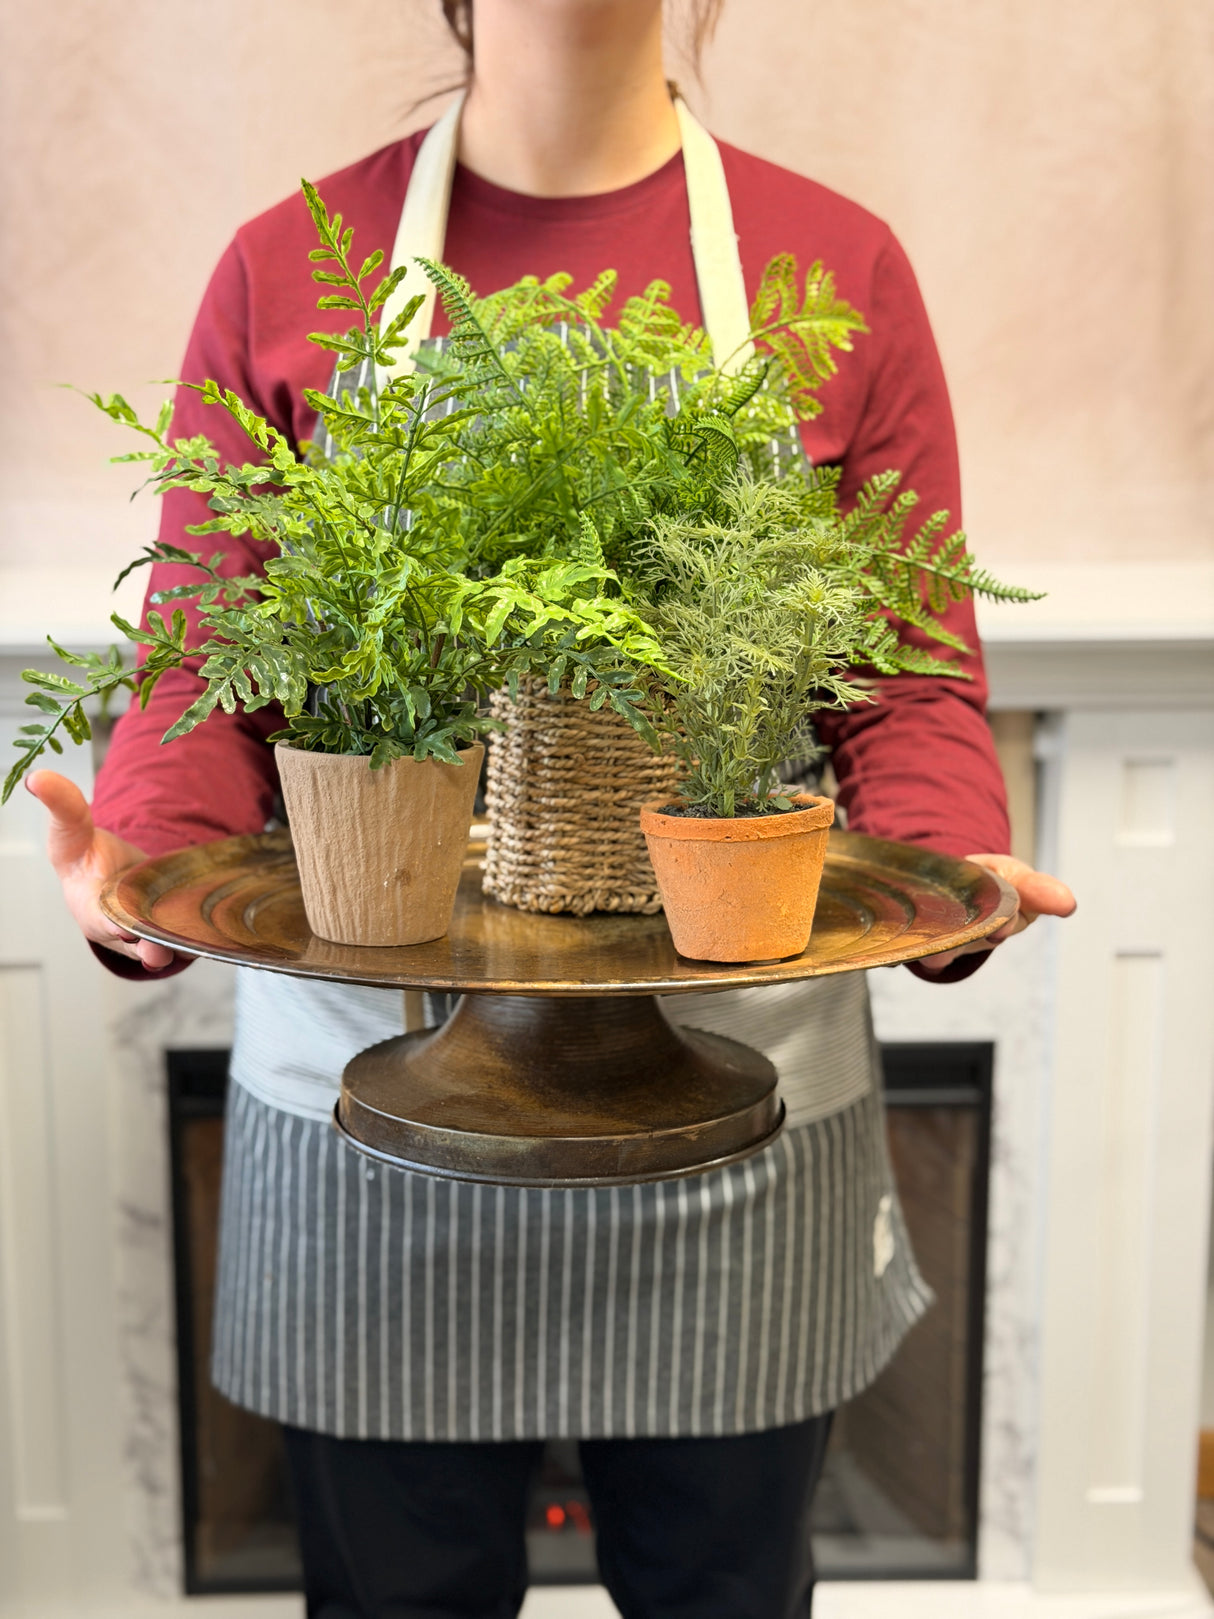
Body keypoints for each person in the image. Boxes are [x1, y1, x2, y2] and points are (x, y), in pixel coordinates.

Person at [28, 1, 1077, 1614]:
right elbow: (201, 659)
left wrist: (949, 880)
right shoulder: (285, 265)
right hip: (371, 1112)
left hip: (745, 1087)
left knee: (724, 1589)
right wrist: (146, 876)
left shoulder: (834, 264)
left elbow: (905, 674)